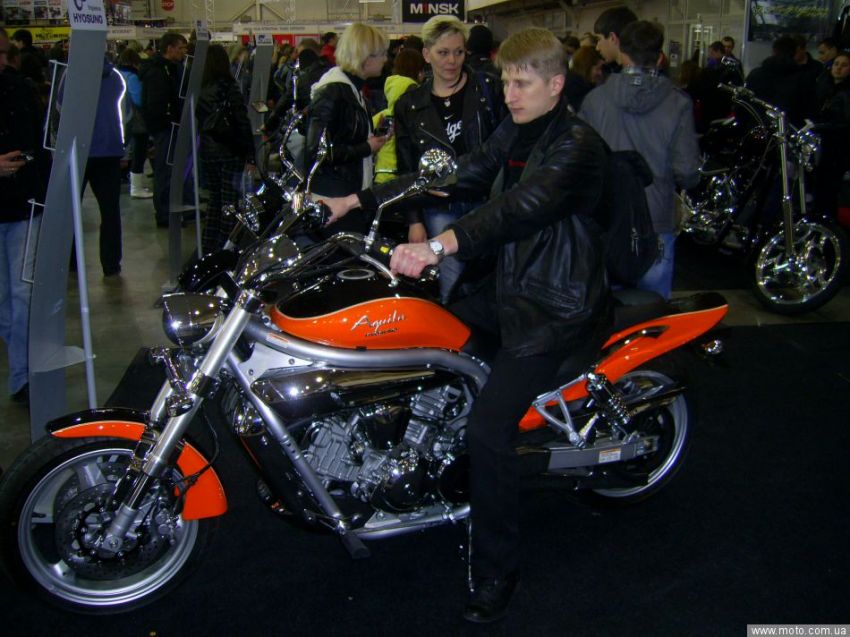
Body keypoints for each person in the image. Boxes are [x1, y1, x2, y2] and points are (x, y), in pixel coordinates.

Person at [324, 28, 612, 623]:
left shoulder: (578, 145)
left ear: (556, 84)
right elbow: (460, 174)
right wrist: (356, 202)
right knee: (425, 340)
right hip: (506, 286)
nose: (510, 93)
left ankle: (497, 570)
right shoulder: (518, 128)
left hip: (552, 305)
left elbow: (519, 208)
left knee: (488, 431)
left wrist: (438, 245)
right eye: (506, 81)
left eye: (522, 83)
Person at [580, 20, 700, 299]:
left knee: (605, 306)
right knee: (654, 307)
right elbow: (686, 171)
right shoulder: (678, 103)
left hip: (607, 218)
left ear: (622, 53)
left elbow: (581, 160)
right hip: (656, 218)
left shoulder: (595, 100)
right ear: (659, 57)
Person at [393, 15, 505, 302]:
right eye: (443, 52)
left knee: (491, 279)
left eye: (458, 52)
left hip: (486, 200)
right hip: (438, 205)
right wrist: (414, 220)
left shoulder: (489, 89)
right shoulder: (409, 104)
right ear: (426, 54)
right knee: (451, 282)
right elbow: (406, 166)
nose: (452, 60)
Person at [0, 28, 50, 404]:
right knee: (6, 297)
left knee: (22, 293)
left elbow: (39, 143)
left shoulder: (19, 89)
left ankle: (22, 375)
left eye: (5, 53)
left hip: (23, 206)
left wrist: (26, 165)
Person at [303, 23, 390, 234]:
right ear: (366, 57)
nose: (386, 59)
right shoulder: (334, 92)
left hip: (345, 193)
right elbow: (318, 151)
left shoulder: (350, 90)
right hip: (334, 198)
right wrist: (366, 147)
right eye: (382, 54)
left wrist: (370, 139)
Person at [196, 44, 256, 255]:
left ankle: (209, 245)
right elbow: (241, 121)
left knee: (215, 199)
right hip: (230, 150)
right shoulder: (229, 87)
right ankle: (225, 247)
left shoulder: (199, 88)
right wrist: (250, 154)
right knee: (230, 202)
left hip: (208, 150)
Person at [141, 32, 188, 228]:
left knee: (172, 171)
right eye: (180, 48)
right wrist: (165, 123)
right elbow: (154, 104)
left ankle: (172, 209)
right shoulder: (158, 72)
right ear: (170, 48)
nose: (184, 52)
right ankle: (164, 213)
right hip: (165, 129)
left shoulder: (173, 69)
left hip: (171, 127)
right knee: (164, 171)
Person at [372, 49, 425, 184]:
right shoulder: (419, 116)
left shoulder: (381, 117)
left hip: (381, 175)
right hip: (407, 177)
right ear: (419, 73)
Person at [746, 35, 818, 127]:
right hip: (789, 129)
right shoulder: (804, 78)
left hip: (758, 127)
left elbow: (745, 103)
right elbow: (810, 110)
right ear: (794, 53)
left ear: (773, 51)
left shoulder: (755, 74)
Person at [813, 51, 850, 218]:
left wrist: (820, 126)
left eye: (844, 65)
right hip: (824, 143)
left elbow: (845, 122)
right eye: (836, 64)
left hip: (838, 146)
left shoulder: (845, 93)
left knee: (829, 187)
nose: (839, 68)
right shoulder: (825, 86)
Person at [117, 47, 153, 199]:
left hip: (120, 120)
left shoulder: (117, 74)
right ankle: (136, 187)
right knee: (139, 153)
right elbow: (139, 99)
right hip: (137, 121)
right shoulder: (132, 77)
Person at [564, 45, 604, 111]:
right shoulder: (575, 89)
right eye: (597, 69)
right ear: (586, 67)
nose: (600, 73)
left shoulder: (580, 83)